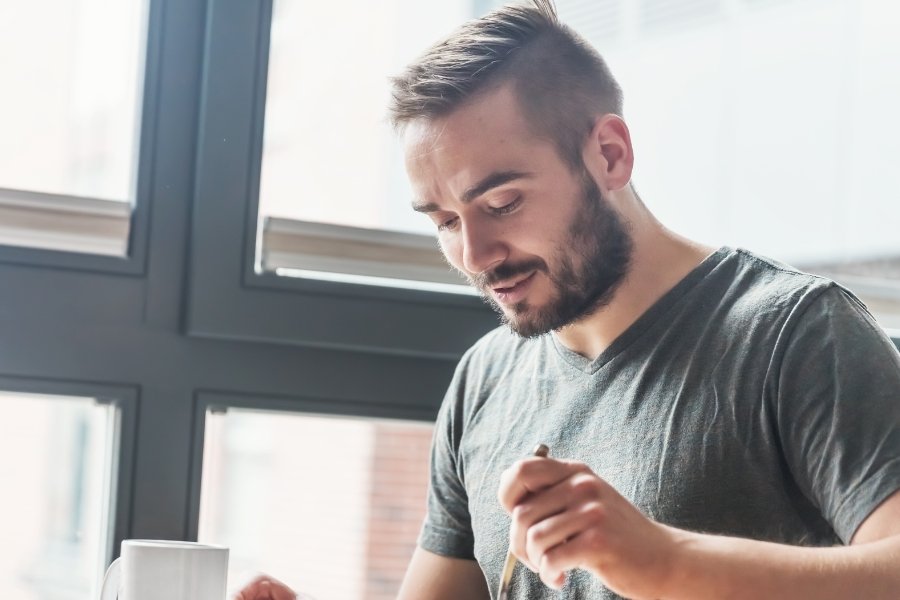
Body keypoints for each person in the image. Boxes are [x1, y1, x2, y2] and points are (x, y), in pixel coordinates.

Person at [238, 1, 900, 598]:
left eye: (503, 202)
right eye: (444, 221)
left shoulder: (797, 333)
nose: (474, 255)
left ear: (609, 155)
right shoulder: (485, 378)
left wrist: (667, 563)